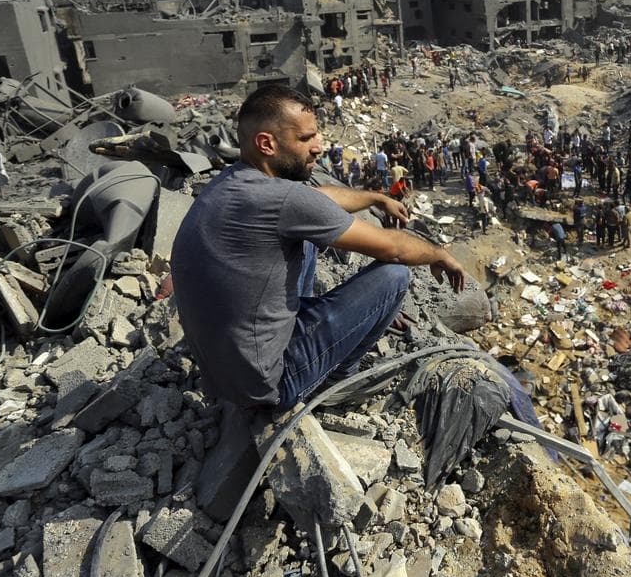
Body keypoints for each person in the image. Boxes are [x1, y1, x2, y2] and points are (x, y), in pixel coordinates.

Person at [171, 86, 466, 412]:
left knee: (306, 243)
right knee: (394, 275)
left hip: (224, 373)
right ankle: (337, 379)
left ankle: (311, 338)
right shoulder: (281, 200)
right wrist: (439, 254)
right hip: (270, 385)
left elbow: (318, 201)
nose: (318, 148)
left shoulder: (233, 182)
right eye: (305, 139)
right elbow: (394, 249)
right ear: (267, 143)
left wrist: (375, 198)